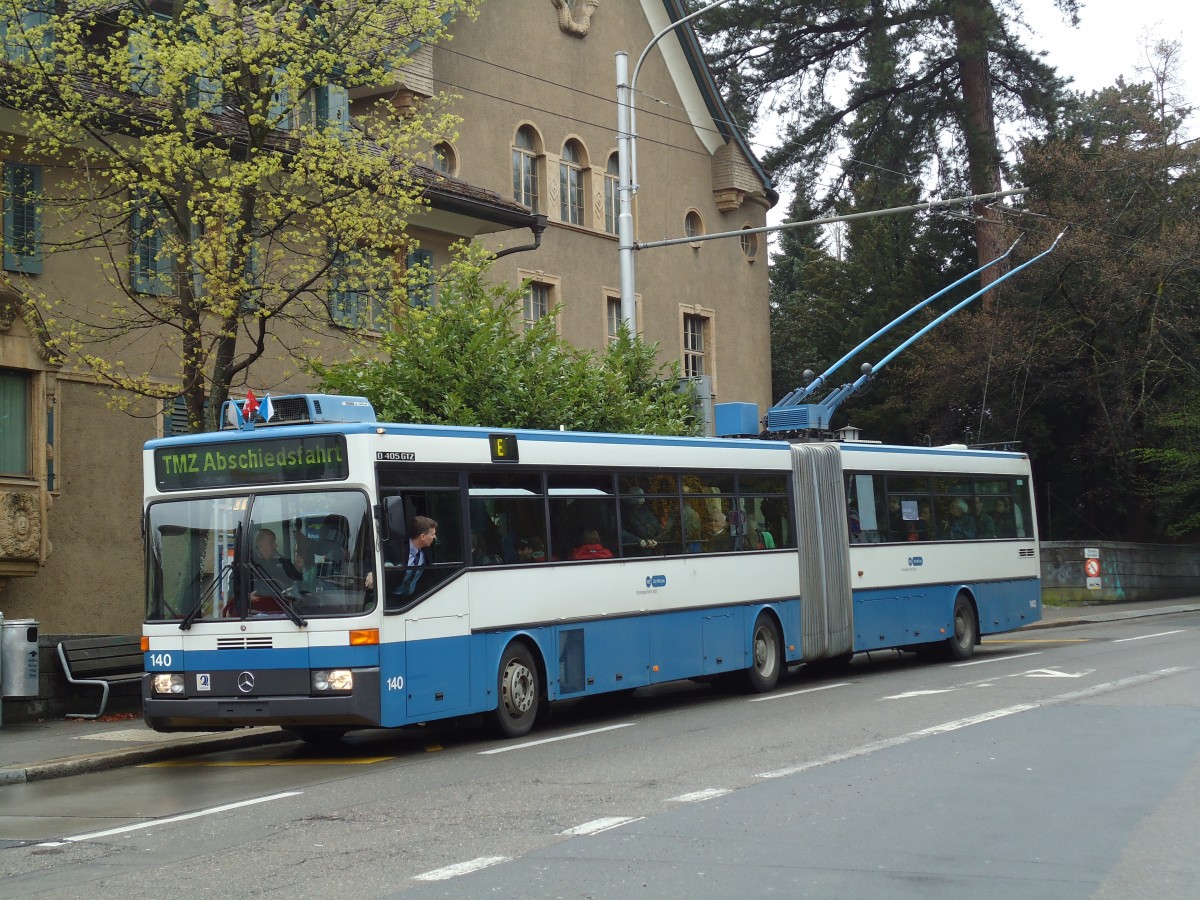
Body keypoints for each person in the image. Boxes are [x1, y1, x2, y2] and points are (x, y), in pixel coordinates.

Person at [248, 527, 302, 609]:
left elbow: (297, 581)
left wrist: (298, 567)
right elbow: (234, 590)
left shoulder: (283, 562)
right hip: (254, 611)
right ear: (260, 543)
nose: (275, 545)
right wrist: (246, 597)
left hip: (283, 609)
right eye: (271, 542)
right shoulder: (248, 563)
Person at [391, 515, 437, 598]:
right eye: (433, 534)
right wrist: (372, 573)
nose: (434, 537)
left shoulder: (427, 552)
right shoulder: (397, 549)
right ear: (422, 537)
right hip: (392, 598)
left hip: (414, 600)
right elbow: (379, 562)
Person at [621, 487, 661, 553]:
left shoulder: (645, 511)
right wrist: (637, 540)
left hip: (649, 547)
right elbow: (620, 531)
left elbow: (656, 527)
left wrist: (654, 539)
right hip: (632, 549)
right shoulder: (625, 513)